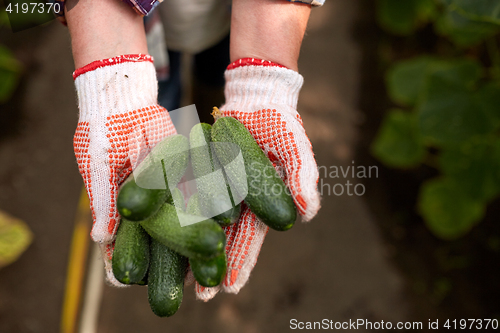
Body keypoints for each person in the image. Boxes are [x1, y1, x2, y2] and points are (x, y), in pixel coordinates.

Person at [64, 0, 323, 301]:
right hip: (144, 28)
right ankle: (181, 130)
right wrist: (110, 70)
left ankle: (201, 119)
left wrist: (263, 62)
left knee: (213, 78)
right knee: (166, 100)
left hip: (233, 19)